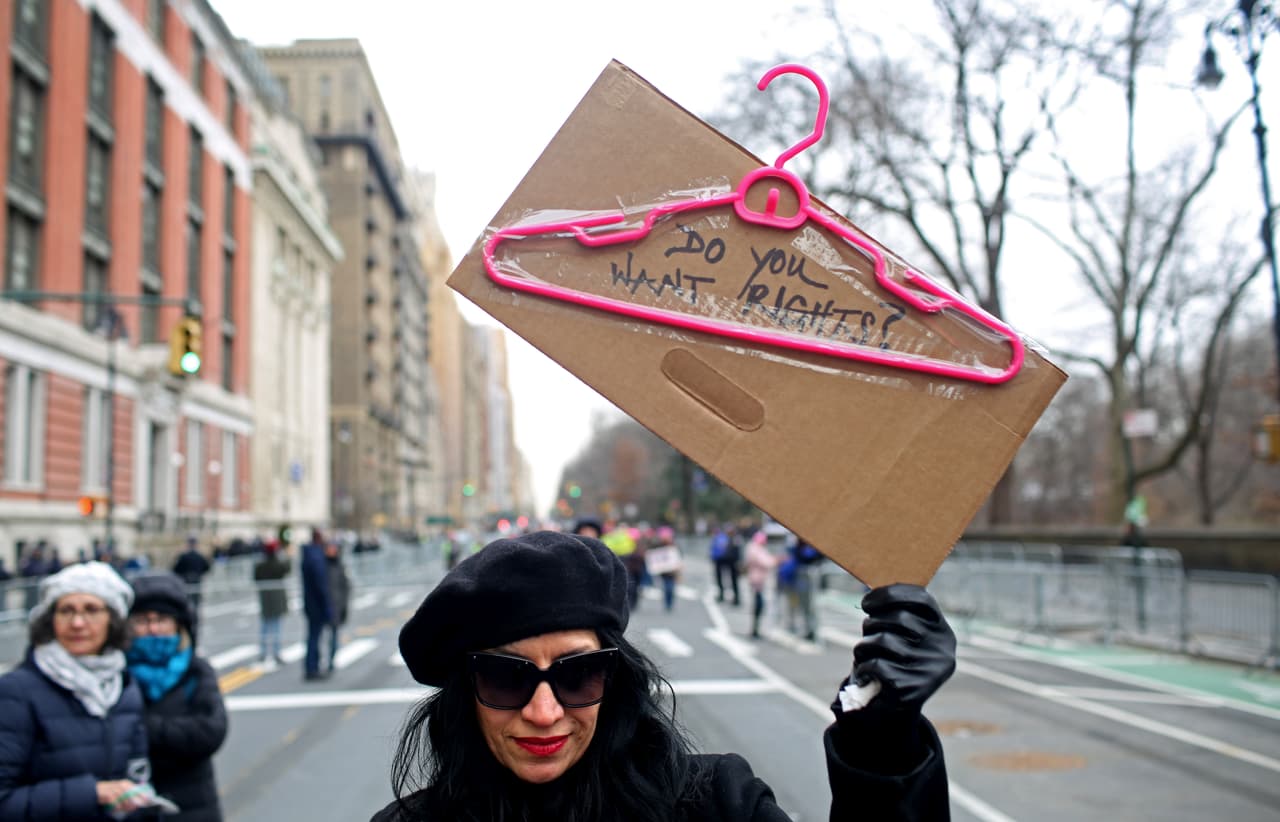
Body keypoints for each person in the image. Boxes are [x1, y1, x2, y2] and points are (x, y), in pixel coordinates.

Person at [372, 531, 955, 821]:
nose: (544, 713)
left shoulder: (717, 805)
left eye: (578, 675)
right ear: (465, 694)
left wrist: (885, 750)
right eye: (505, 678)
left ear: (616, 679)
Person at [0, 561, 166, 819]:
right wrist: (92, 793)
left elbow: (137, 777)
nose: (77, 623)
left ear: (113, 619)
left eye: (91, 610)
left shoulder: (123, 686)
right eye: (66, 610)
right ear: (50, 620)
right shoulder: (16, 691)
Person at [126, 572, 229, 821]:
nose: (153, 629)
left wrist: (143, 729)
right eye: (142, 620)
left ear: (179, 624)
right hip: (132, 804)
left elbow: (209, 732)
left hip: (193, 806)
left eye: (161, 620)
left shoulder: (196, 670)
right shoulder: (116, 673)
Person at [300, 528, 333, 682]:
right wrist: (326, 605)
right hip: (316, 605)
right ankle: (312, 667)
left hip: (310, 603)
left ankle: (312, 666)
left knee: (313, 637)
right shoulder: (316, 557)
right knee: (314, 637)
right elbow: (321, 584)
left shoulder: (308, 554)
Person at [253, 539, 291, 665]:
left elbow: (256, 577)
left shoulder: (260, 565)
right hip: (275, 599)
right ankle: (275, 652)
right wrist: (287, 556)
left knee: (266, 627)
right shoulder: (277, 564)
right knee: (275, 627)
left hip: (266, 599)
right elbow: (287, 569)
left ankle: (264, 653)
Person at [744, 530, 778, 639]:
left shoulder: (752, 548)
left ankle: (755, 628)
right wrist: (777, 560)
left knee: (758, 604)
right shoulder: (755, 549)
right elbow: (767, 562)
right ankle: (755, 629)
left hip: (757, 579)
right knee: (759, 604)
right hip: (757, 579)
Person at [324, 540, 351, 675]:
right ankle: (323, 660)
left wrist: (343, 606)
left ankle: (331, 661)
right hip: (324, 605)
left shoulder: (339, 566)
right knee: (322, 636)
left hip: (336, 606)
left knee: (333, 636)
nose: (331, 551)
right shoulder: (322, 565)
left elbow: (346, 587)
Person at [644, 526, 684, 612]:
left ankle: (669, 603)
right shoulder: (657, 545)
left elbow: (679, 556)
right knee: (666, 587)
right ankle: (667, 602)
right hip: (663, 571)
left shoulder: (674, 545)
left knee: (670, 587)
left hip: (672, 571)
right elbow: (651, 553)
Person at [172, 537, 211, 620]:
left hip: (186, 581)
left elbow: (176, 569)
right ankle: (194, 618)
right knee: (195, 602)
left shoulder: (183, 556)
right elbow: (207, 567)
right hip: (196, 580)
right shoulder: (199, 556)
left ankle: (189, 617)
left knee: (187, 601)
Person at [711, 525, 742, 606]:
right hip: (723, 560)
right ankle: (723, 595)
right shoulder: (721, 538)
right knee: (722, 579)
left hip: (731, 561)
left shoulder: (735, 539)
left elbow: (738, 552)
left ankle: (736, 597)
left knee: (733, 580)